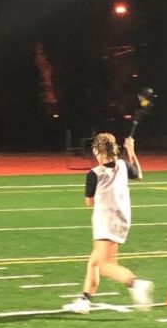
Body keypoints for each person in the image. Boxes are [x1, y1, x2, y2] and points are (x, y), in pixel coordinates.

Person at [64, 132, 153, 314]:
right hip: (122, 219)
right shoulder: (122, 164)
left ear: (98, 151)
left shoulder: (94, 174)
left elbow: (89, 202)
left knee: (104, 265)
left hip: (105, 221)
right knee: (94, 261)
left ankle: (135, 283)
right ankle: (85, 300)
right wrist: (131, 151)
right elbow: (139, 174)